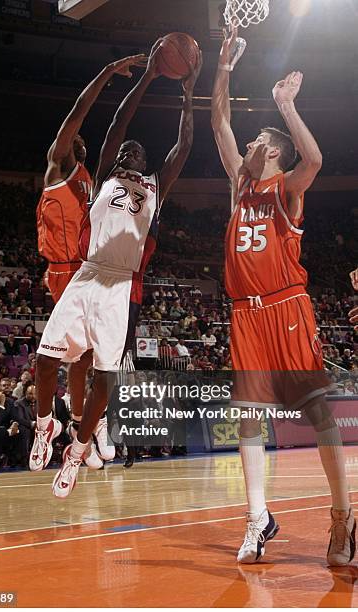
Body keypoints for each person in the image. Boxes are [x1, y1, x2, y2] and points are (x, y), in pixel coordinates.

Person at [31, 40, 201, 497]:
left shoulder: (155, 185)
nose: (128, 150)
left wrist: (189, 90)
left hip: (120, 285)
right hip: (87, 272)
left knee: (105, 374)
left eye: (135, 151)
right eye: (123, 150)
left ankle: (78, 447)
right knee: (45, 361)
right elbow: (117, 123)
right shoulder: (104, 173)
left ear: (145, 163)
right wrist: (146, 76)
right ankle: (46, 424)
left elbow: (185, 143)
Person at [211, 27, 355, 566]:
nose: (245, 147)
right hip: (245, 315)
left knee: (316, 413)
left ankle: (342, 521)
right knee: (249, 418)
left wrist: (287, 105)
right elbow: (219, 122)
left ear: (271, 151)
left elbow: (314, 160)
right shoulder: (238, 187)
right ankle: (256, 519)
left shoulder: (285, 188)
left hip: (287, 308)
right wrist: (223, 67)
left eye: (254, 144)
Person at [35, 54, 147, 464]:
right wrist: (104, 74)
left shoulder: (93, 179)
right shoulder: (59, 167)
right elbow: (76, 116)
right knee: (73, 357)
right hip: (65, 271)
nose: (79, 139)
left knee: (90, 357)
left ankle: (85, 425)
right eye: (74, 138)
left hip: (91, 269)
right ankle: (74, 420)